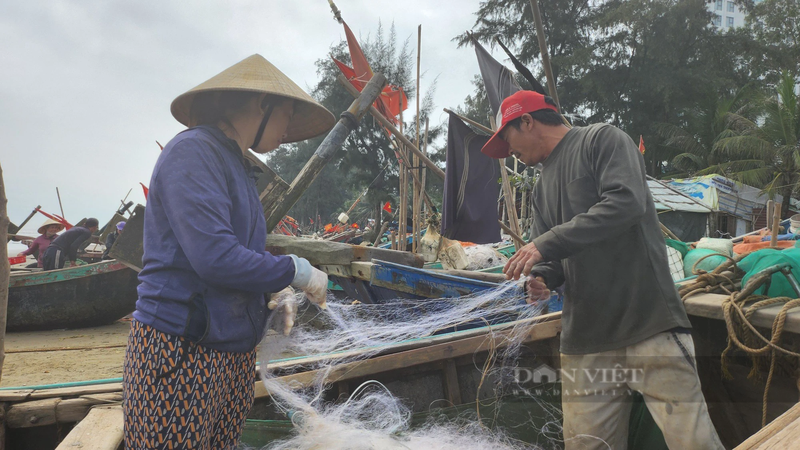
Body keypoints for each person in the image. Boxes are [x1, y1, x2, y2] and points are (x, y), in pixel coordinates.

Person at [482, 90, 724, 449]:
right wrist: (542, 277)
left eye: (507, 138)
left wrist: (545, 244)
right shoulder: (541, 187)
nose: (509, 152)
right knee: (586, 444)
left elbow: (625, 203)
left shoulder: (602, 140)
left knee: (692, 441)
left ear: (528, 121)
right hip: (586, 340)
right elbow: (551, 257)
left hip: (647, 324)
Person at [123, 54, 337, 450]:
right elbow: (215, 257)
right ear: (262, 104)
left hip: (231, 353)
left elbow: (240, 255)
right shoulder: (193, 152)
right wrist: (294, 270)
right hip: (183, 352)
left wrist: (271, 294)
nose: (288, 127)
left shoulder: (238, 166)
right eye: (287, 114)